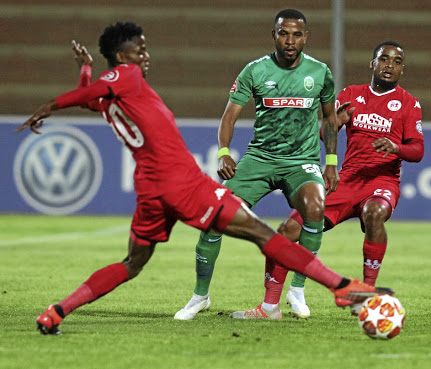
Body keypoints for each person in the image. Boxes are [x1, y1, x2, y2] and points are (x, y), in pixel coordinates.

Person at [16, 22, 390, 335]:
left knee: (132, 263)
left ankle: (57, 311)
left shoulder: (115, 98)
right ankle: (341, 288)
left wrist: (84, 70)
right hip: (184, 185)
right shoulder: (126, 77)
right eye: (138, 50)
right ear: (120, 58)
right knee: (263, 234)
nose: (145, 56)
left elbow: (91, 95)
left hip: (150, 192)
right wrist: (48, 106)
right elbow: (96, 89)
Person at [232, 41, 424, 319]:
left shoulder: (408, 103)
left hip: (382, 181)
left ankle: (366, 295)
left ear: (402, 69)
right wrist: (335, 121)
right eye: (384, 59)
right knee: (287, 231)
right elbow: (323, 134)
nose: (389, 65)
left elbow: (417, 151)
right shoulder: (352, 94)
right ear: (373, 64)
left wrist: (397, 148)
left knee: (374, 213)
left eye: (396, 61)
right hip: (346, 181)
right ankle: (269, 307)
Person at [174, 9, 341, 321]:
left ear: (306, 36)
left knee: (315, 207)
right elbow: (229, 115)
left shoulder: (320, 72)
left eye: (296, 34)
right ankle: (200, 296)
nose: (290, 40)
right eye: (283, 33)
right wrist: (224, 151)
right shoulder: (255, 70)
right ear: (273, 34)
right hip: (260, 159)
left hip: (301, 161)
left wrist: (330, 161)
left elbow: (330, 117)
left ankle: (298, 290)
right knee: (215, 217)